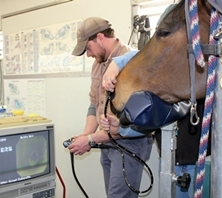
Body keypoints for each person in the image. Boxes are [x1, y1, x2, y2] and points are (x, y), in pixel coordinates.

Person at [100, 50, 211, 198]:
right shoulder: (163, 76)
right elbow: (155, 123)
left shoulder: (199, 62)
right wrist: (121, 128)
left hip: (198, 159)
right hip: (169, 158)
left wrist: (116, 62)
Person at [67, 17, 154, 198]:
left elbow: (126, 123)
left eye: (88, 48)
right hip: (106, 141)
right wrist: (86, 135)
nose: (89, 54)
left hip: (128, 143)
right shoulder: (98, 65)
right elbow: (94, 104)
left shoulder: (132, 62)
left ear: (100, 37)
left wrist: (91, 139)